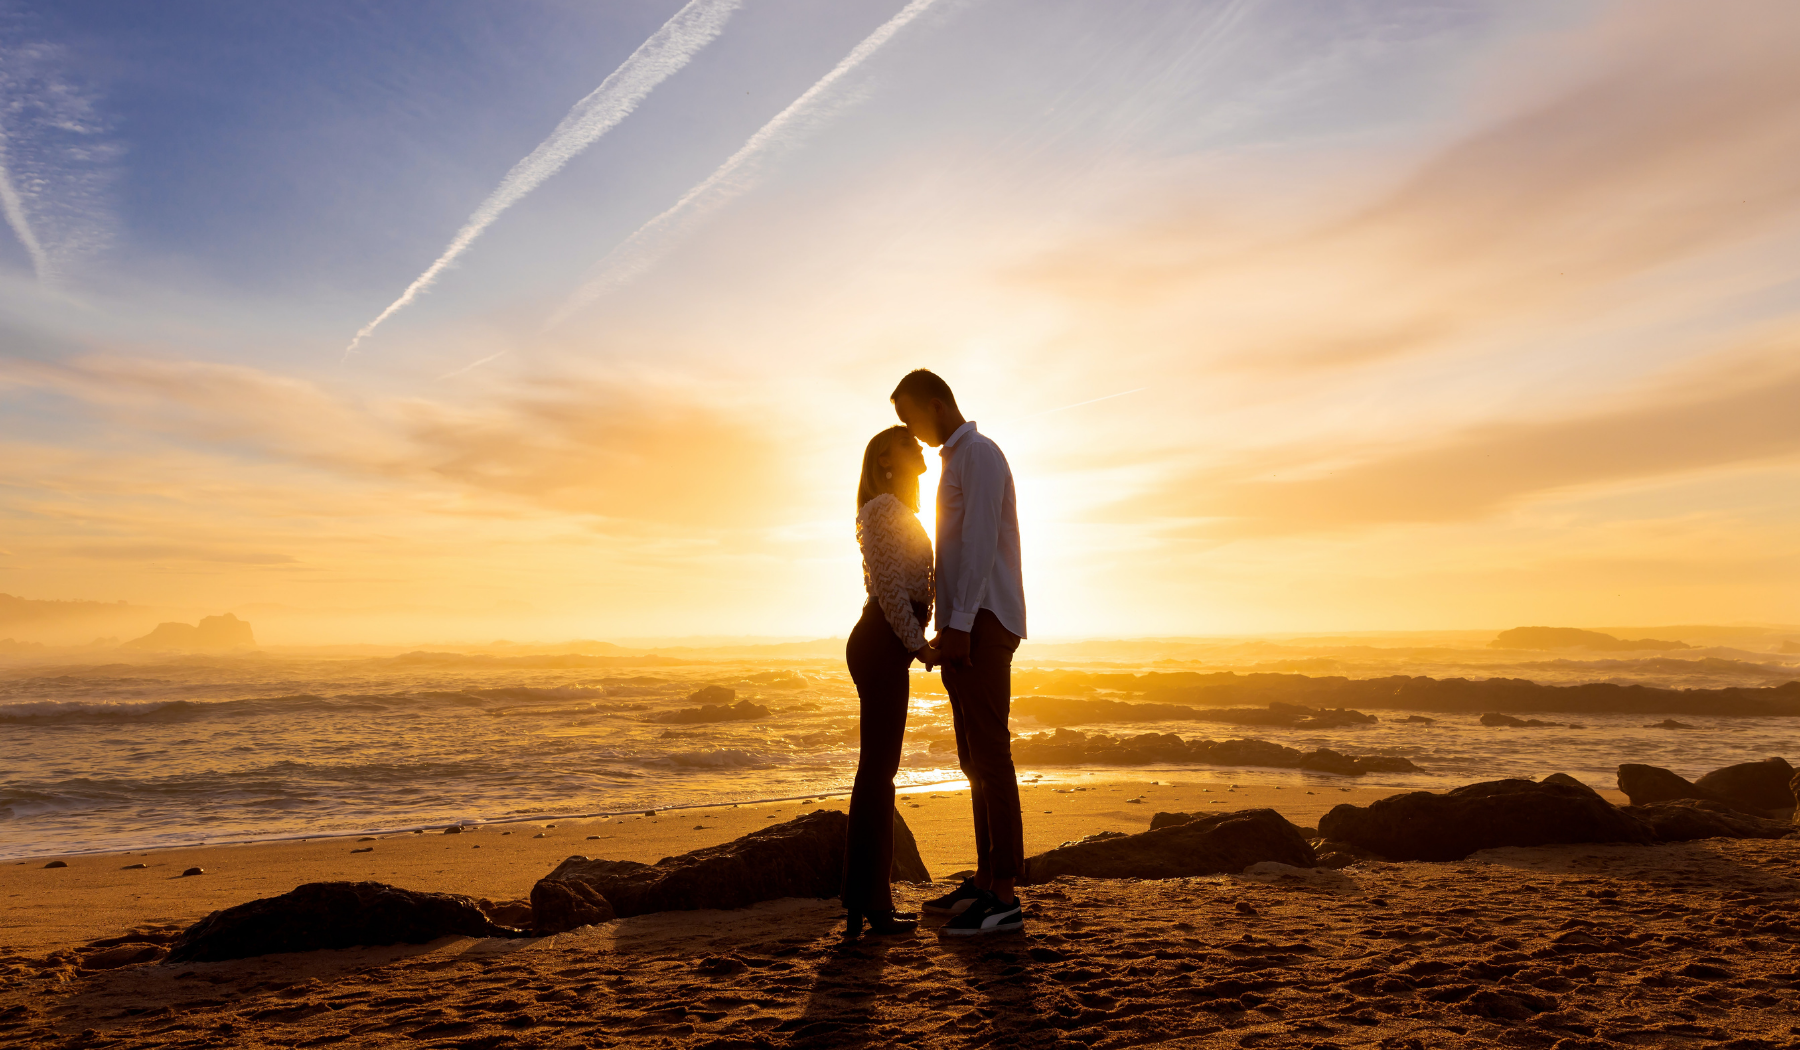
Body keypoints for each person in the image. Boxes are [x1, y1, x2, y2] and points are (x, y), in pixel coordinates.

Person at [891, 369, 1028, 937]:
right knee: (972, 760)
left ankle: (1005, 896)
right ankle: (983, 879)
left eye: (911, 419)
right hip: (962, 627)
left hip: (985, 621)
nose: (911, 432)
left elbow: (976, 547)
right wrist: (948, 627)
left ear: (935, 402)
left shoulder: (980, 454)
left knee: (991, 756)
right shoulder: (953, 460)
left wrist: (964, 625)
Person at [841, 424, 936, 940]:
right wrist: (920, 645)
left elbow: (915, 591)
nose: (917, 442)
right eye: (905, 439)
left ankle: (863, 903)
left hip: (887, 647)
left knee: (877, 774)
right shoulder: (880, 510)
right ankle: (870, 904)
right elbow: (893, 593)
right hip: (879, 643)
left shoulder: (903, 513)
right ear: (883, 459)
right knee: (878, 776)